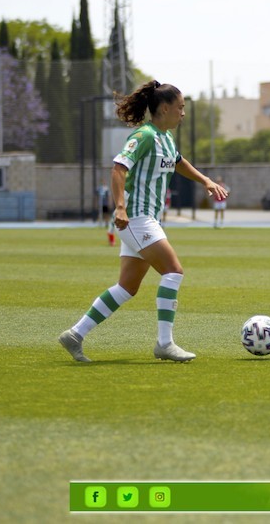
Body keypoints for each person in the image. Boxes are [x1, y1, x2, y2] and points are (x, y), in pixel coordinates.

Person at [58, 80, 228, 362]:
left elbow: (178, 161)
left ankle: (75, 334)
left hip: (145, 219)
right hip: (136, 218)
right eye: (180, 108)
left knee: (127, 287)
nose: (183, 113)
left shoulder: (166, 138)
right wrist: (120, 208)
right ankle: (164, 343)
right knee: (174, 272)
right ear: (163, 108)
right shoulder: (145, 135)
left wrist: (206, 180)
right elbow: (118, 169)